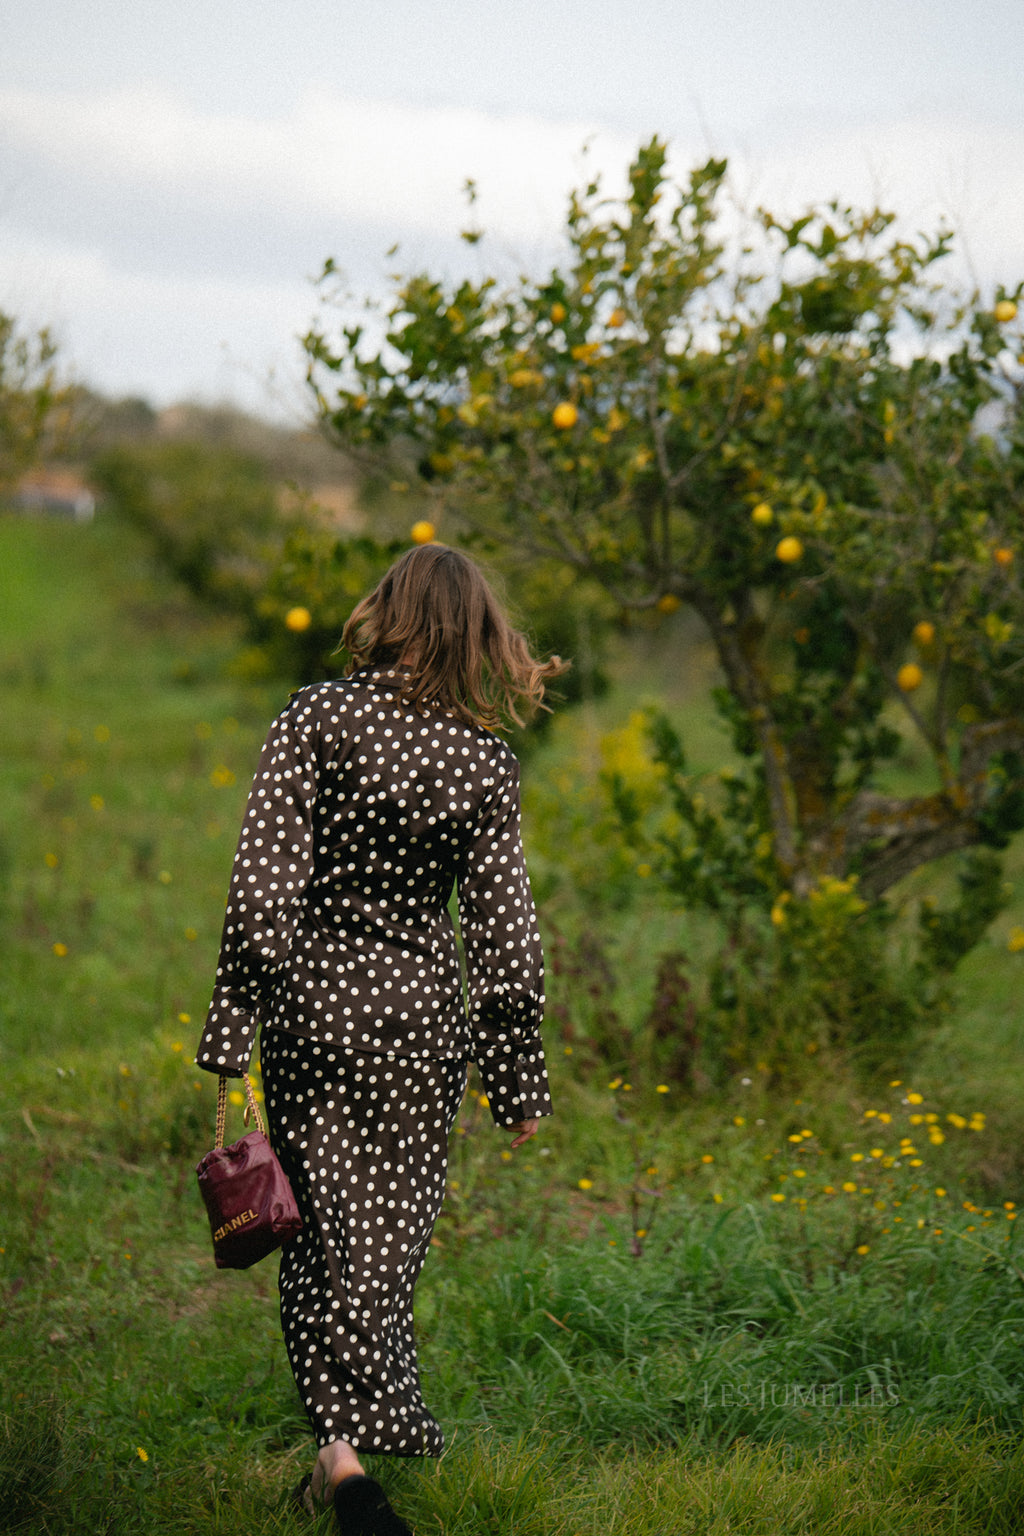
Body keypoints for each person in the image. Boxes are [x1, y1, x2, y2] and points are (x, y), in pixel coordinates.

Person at [194, 544, 565, 1536]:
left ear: (387, 612)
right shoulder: (484, 759)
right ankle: (348, 1456)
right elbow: (506, 937)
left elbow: (263, 887)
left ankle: (343, 1464)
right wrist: (519, 1082)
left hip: (315, 1010)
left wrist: (232, 1023)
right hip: (418, 1022)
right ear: (479, 631)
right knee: (382, 1242)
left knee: (317, 1234)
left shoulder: (316, 717)